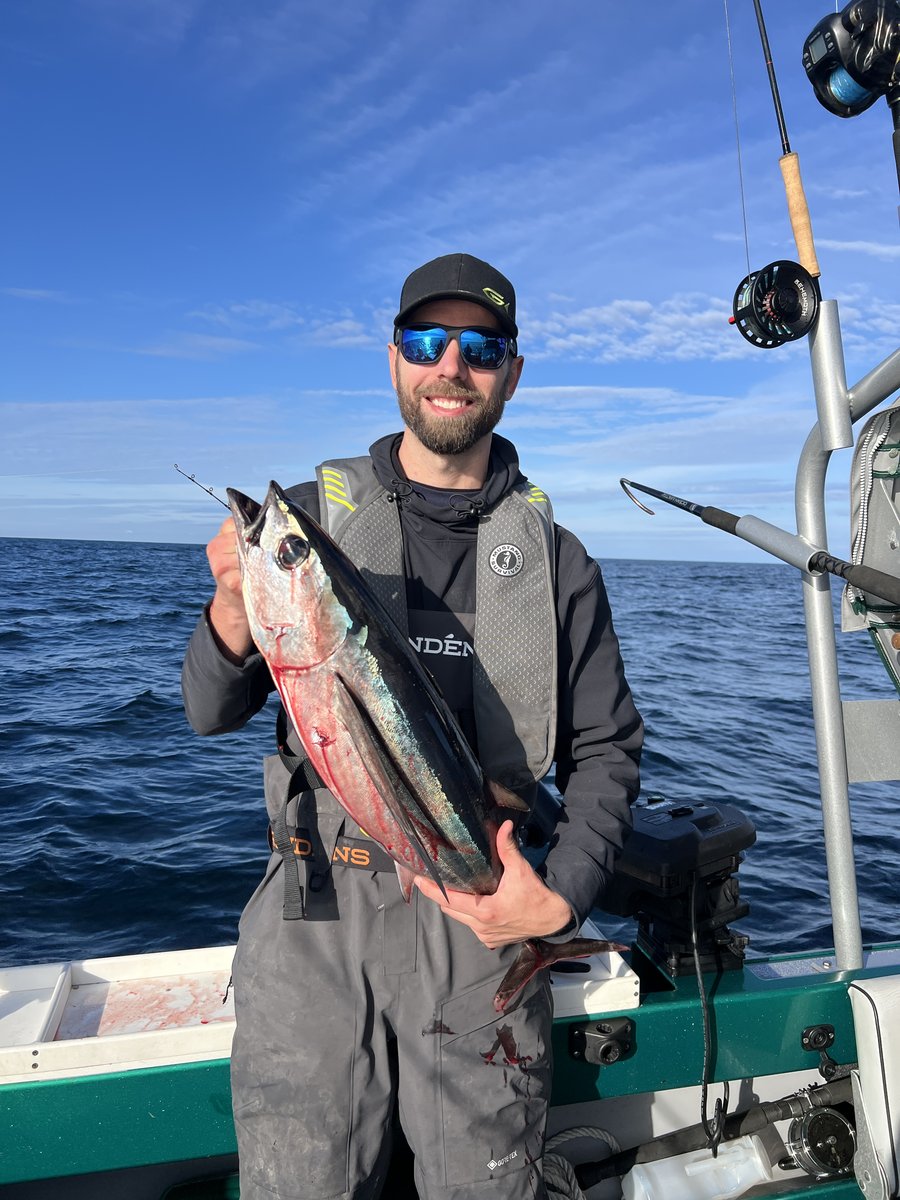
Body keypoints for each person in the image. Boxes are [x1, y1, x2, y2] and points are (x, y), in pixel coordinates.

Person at [182, 252, 643, 1200]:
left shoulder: (561, 566)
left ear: (512, 372)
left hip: (482, 927)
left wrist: (559, 902)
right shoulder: (306, 524)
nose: (452, 366)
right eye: (428, 342)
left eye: (481, 347)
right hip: (315, 912)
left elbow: (609, 749)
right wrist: (235, 613)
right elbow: (208, 710)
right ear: (393, 359)